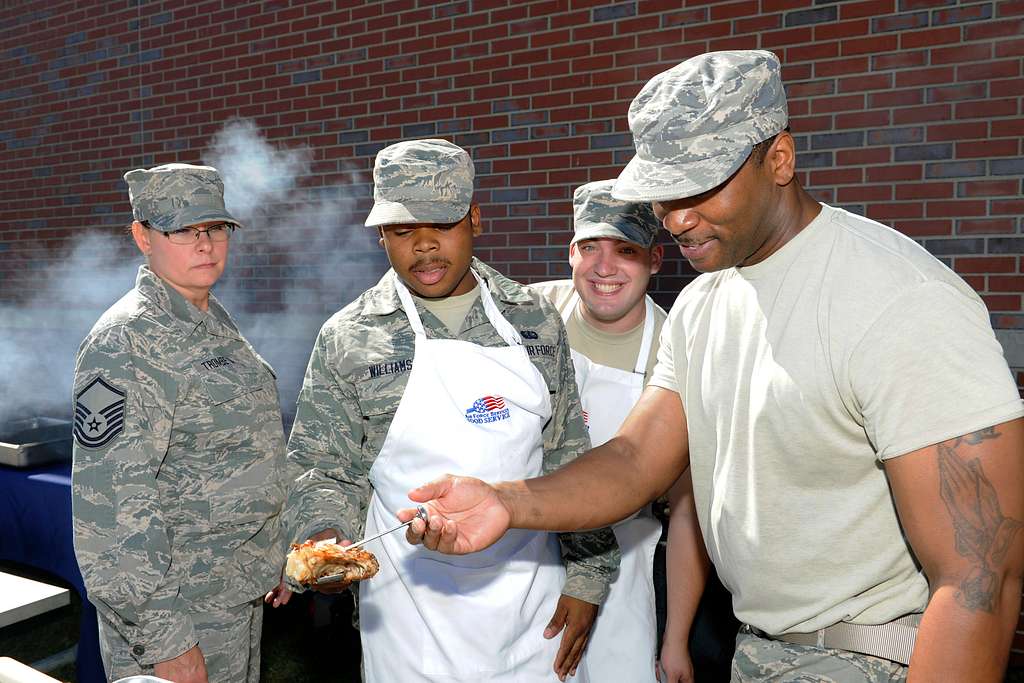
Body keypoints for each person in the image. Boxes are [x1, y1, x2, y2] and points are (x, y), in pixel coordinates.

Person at [399, 50, 1024, 682]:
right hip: (757, 648)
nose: (675, 218)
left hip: (874, 656)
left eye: (700, 188)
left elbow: (980, 575)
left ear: (779, 159)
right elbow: (635, 461)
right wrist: (506, 502)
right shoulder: (702, 304)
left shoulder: (898, 300)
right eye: (664, 195)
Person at [281, 139, 619, 682]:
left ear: (475, 221)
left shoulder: (533, 320)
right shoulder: (351, 336)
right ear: (381, 236)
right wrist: (326, 538)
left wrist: (587, 578)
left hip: (531, 599)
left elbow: (567, 456)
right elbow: (323, 467)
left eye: (440, 225)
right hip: (408, 607)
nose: (423, 248)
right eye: (401, 231)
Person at [71, 164, 289, 683]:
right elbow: (112, 509)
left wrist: (271, 551)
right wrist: (165, 640)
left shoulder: (208, 320)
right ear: (142, 237)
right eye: (184, 231)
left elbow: (235, 455)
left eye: (215, 229)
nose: (206, 245)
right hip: (180, 613)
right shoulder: (127, 340)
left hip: (231, 596)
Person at [532, 179, 669, 681]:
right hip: (522, 548)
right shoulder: (530, 316)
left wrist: (675, 639)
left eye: (625, 250)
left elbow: (690, 502)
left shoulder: (675, 348)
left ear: (655, 259)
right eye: (590, 247)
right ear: (571, 252)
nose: (604, 268)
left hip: (625, 561)